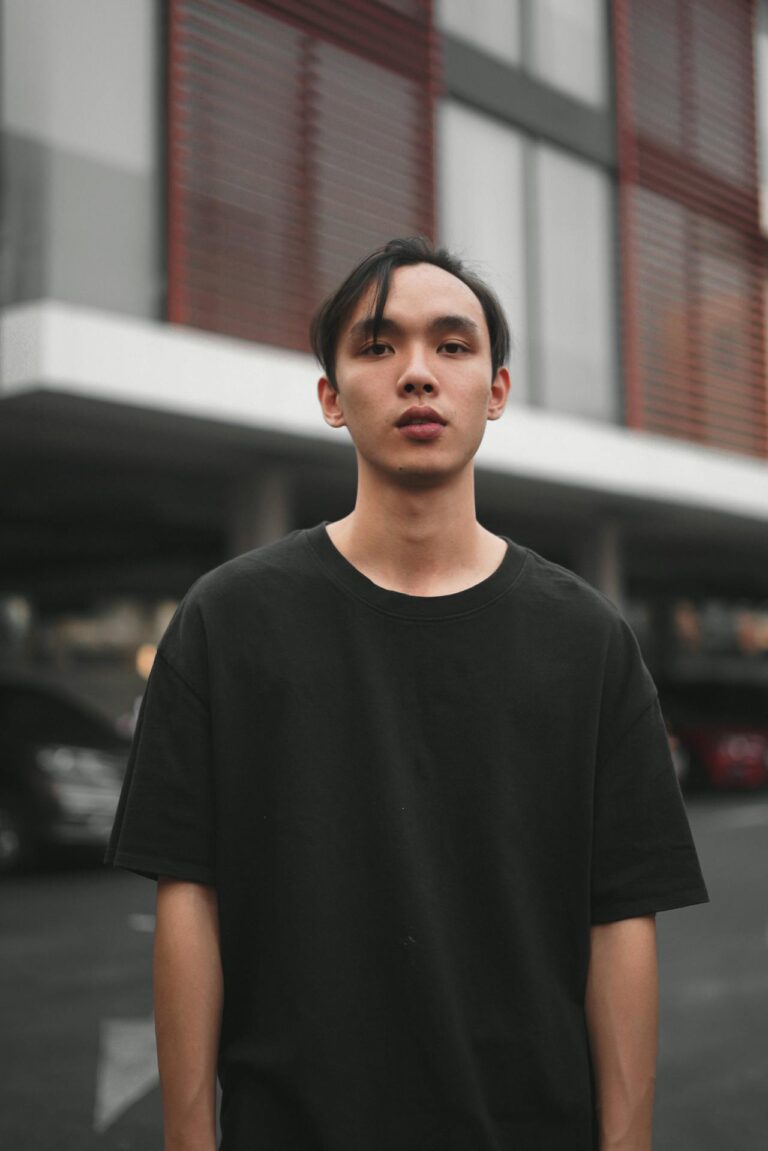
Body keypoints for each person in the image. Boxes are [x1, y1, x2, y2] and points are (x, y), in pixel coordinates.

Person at [107, 237, 708, 1151]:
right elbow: (191, 898)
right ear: (330, 396)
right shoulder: (225, 622)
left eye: (452, 345)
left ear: (496, 391)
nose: (418, 372)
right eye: (378, 345)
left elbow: (620, 916)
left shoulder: (589, 640)